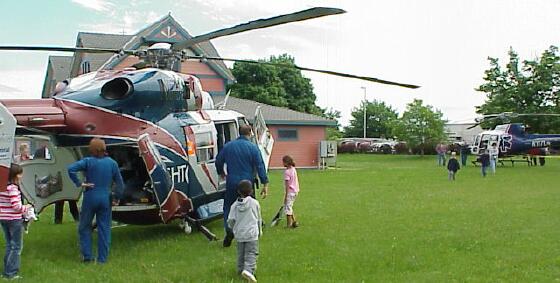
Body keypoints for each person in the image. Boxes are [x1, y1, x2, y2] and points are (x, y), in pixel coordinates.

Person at [67, 138, 124, 263]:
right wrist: (117, 197)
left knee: (84, 227)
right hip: (105, 197)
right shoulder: (112, 163)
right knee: (104, 228)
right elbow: (120, 184)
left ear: (91, 150)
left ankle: (87, 256)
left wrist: (80, 183)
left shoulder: (88, 161)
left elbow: (70, 169)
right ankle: (102, 259)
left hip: (91, 196)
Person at [216, 125, 269, 248]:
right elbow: (260, 165)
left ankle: (229, 230)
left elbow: (219, 160)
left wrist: (221, 172)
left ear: (239, 133)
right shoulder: (253, 148)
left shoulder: (228, 146)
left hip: (232, 181)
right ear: (250, 133)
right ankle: (249, 233)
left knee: (228, 207)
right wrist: (265, 183)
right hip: (247, 183)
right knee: (250, 207)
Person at [0, 164, 32, 279]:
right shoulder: (13, 188)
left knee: (9, 245)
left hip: (3, 218)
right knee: (16, 247)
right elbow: (16, 206)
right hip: (14, 220)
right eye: (20, 173)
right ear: (15, 175)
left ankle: (6, 270)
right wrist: (26, 208)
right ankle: (11, 273)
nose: (21, 176)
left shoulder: (2, 187)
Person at [227, 180, 262, 283]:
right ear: (251, 191)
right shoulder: (254, 203)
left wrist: (233, 228)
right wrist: (259, 230)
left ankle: (240, 269)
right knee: (251, 253)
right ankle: (248, 270)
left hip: (239, 233)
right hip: (251, 233)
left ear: (238, 191)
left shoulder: (234, 205)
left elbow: (230, 220)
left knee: (241, 253)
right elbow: (258, 218)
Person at [282, 155, 300, 228]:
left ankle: (289, 225)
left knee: (288, 208)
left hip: (290, 192)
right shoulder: (293, 169)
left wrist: (285, 196)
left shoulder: (287, 172)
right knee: (290, 206)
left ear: (286, 163)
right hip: (296, 191)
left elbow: (287, 185)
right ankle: (294, 221)